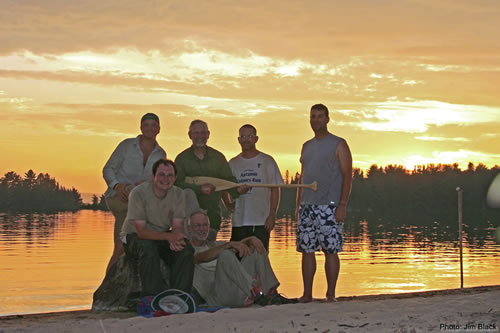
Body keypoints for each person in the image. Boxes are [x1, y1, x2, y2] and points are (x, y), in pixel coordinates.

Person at [295, 103, 353, 303]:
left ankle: (330, 294)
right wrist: (298, 206)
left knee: (330, 250)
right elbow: (303, 177)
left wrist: (342, 204)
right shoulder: (306, 146)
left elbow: (347, 176)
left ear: (327, 119)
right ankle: (307, 294)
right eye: (313, 116)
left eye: (320, 116)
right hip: (307, 207)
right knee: (307, 250)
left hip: (329, 206)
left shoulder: (339, 144)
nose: (316, 120)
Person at [188, 210, 296, 307]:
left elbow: (235, 245)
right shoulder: (188, 251)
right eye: (197, 225)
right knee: (225, 254)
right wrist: (228, 245)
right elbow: (201, 257)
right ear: (189, 229)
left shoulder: (215, 244)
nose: (202, 229)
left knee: (254, 248)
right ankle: (255, 293)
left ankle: (271, 293)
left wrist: (250, 239)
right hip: (216, 297)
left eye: (205, 225)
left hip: (237, 291)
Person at [102, 113, 166, 273]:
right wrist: (116, 185)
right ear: (141, 128)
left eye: (153, 125)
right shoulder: (127, 145)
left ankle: (110, 280)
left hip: (138, 204)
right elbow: (108, 168)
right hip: (118, 196)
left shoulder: (161, 154)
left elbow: (159, 180)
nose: (150, 128)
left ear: (158, 129)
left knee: (121, 243)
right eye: (146, 125)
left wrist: (148, 184)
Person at [120, 159, 194, 296]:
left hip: (162, 234)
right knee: (148, 249)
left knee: (186, 249)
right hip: (134, 235)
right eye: (161, 174)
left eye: (170, 175)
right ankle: (153, 296)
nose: (165, 179)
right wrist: (169, 237)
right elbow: (141, 232)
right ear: (153, 176)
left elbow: (178, 226)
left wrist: (177, 239)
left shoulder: (179, 194)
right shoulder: (138, 193)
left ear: (175, 178)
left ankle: (180, 296)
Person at [175, 119, 248, 241]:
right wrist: (199, 189)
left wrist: (238, 190)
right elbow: (177, 185)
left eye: (203, 133)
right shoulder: (181, 159)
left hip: (211, 217)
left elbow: (228, 181)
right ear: (190, 135)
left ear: (208, 134)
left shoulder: (218, 158)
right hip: (187, 220)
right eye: (196, 133)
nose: (200, 137)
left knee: (208, 252)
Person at [222, 124, 283, 251]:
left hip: (261, 221)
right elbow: (224, 187)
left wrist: (272, 215)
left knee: (260, 260)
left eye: (249, 136)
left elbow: (275, 189)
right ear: (239, 139)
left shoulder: (267, 161)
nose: (246, 139)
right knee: (237, 258)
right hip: (239, 221)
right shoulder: (233, 163)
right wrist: (228, 204)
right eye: (243, 136)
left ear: (256, 139)